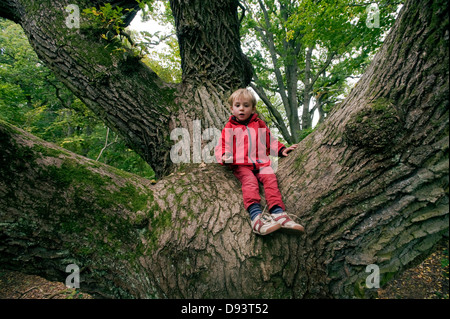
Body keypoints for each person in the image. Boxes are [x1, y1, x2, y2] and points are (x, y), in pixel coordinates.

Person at [215, 88, 304, 236]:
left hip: (261, 163)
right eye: (237, 105)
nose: (241, 108)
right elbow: (223, 145)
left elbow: (269, 140)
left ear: (253, 108)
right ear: (232, 108)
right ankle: (256, 216)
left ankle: (278, 212)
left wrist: (282, 150)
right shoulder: (229, 127)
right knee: (250, 182)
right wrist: (225, 155)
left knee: (271, 179)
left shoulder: (259, 124)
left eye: (246, 105)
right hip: (241, 164)